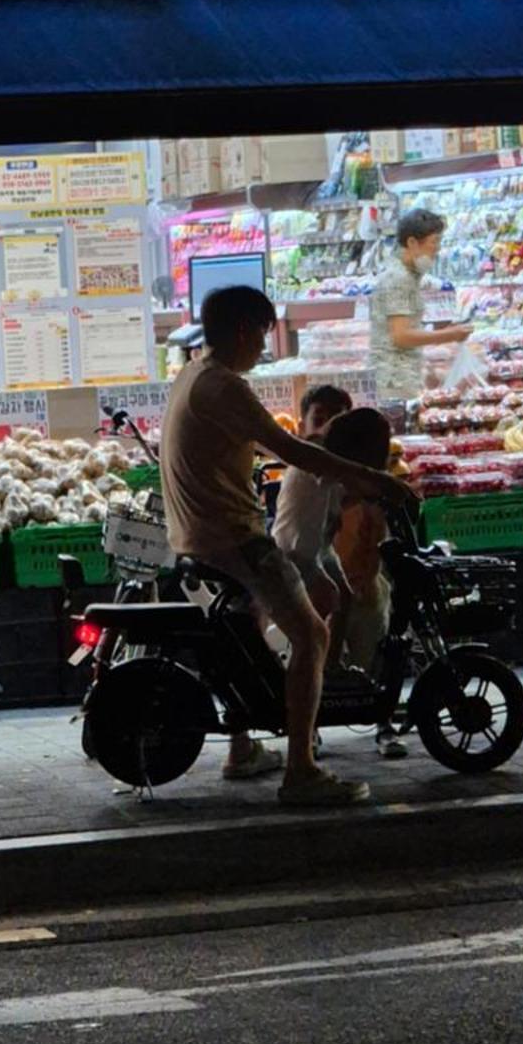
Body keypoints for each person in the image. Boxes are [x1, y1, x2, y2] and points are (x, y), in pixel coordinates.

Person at [159, 284, 416, 808]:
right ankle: (301, 768)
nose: (264, 347)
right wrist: (375, 478)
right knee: (312, 635)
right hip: (231, 535)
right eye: (261, 334)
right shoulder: (226, 387)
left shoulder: (193, 375)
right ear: (242, 331)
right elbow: (293, 450)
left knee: (248, 638)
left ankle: (242, 750)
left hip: (199, 533)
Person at [276, 408, 408, 759]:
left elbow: (352, 487)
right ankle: (317, 688)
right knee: (327, 604)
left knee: (344, 598)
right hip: (300, 549)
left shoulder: (326, 456)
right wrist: (385, 485)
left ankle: (332, 668)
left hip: (319, 546)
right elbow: (356, 478)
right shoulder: (321, 460)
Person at [369, 209, 473, 405]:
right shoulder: (398, 279)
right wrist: (451, 335)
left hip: (402, 376)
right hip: (394, 382)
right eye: (434, 242)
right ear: (412, 243)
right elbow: (401, 336)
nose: (437, 249)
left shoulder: (409, 276)